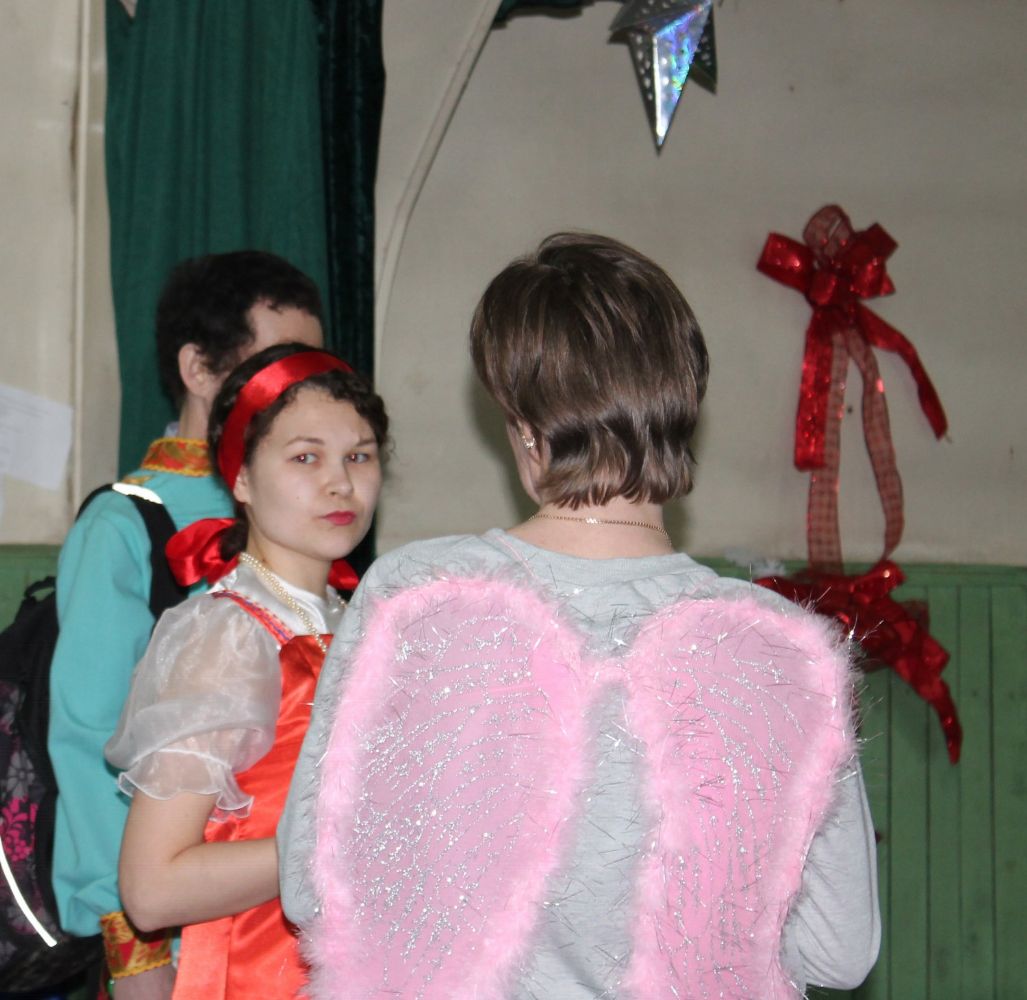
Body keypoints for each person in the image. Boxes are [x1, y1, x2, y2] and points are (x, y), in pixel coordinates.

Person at [278, 232, 881, 999]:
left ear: (526, 429)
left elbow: (311, 889)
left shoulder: (417, 597)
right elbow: (839, 953)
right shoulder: (782, 652)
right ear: (680, 410)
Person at [48, 251, 323, 996]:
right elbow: (87, 740)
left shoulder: (309, 512)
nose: (296, 389)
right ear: (199, 368)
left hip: (284, 912)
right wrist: (131, 942)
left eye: (309, 368)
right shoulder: (125, 523)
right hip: (168, 919)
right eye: (272, 366)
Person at [104, 342, 388, 999]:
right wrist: (341, 847)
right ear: (241, 478)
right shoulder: (228, 636)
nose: (340, 483)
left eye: (359, 455)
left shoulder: (362, 620)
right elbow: (151, 887)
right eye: (305, 457)